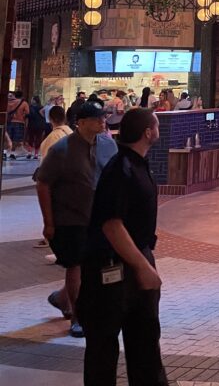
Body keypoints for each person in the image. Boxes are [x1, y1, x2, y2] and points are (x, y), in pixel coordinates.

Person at [77, 108, 169, 385]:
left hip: (132, 262)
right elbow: (111, 224)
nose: (159, 129)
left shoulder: (137, 165)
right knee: (103, 350)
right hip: (111, 271)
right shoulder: (121, 169)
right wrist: (142, 266)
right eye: (157, 125)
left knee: (144, 341)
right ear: (148, 132)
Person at [35, 103, 117, 338]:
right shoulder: (61, 149)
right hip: (70, 218)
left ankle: (62, 298)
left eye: (103, 117)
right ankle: (78, 318)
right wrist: (48, 222)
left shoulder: (108, 145)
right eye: (96, 118)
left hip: (99, 218)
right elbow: (43, 184)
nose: (102, 122)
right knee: (76, 265)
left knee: (96, 266)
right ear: (80, 123)